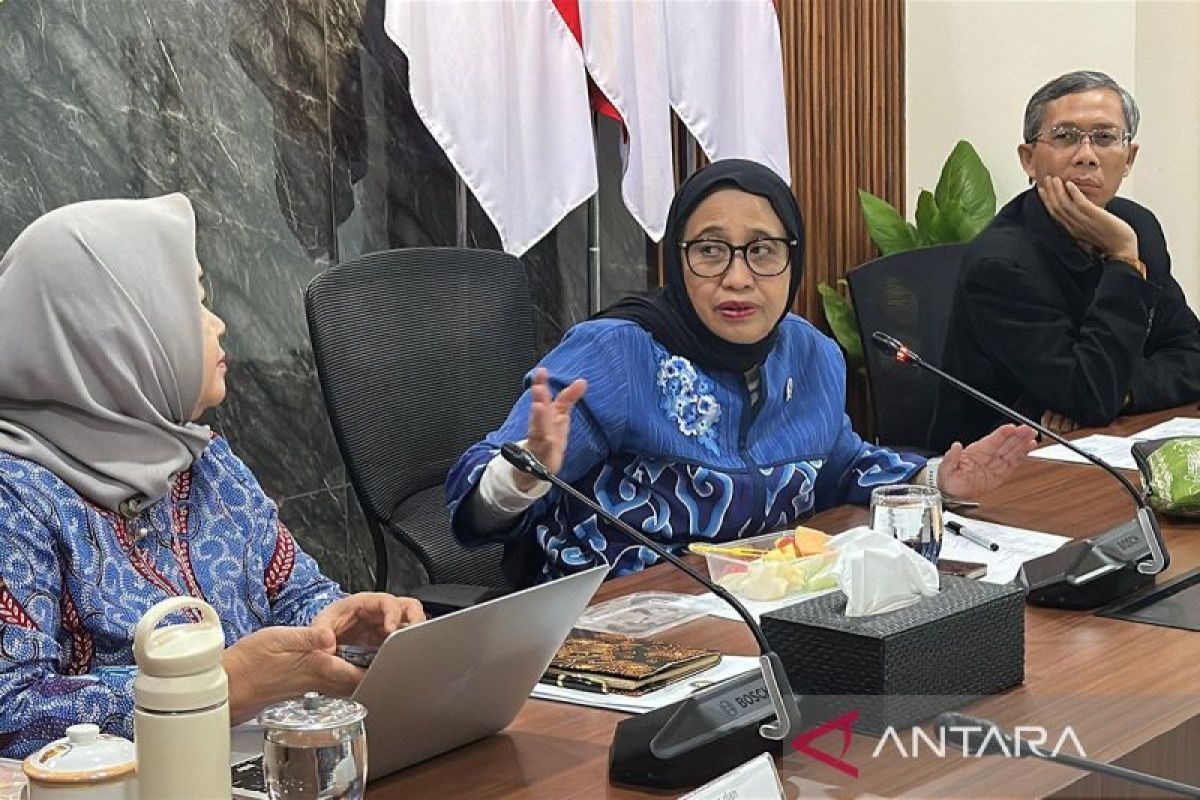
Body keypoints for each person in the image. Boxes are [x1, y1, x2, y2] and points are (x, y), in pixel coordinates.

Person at [447, 159, 1036, 586]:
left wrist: (936, 479)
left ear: (792, 260)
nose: (736, 278)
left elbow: (839, 467)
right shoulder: (616, 354)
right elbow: (472, 505)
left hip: (761, 617)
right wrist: (521, 474)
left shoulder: (809, 353)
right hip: (617, 631)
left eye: (762, 251)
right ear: (677, 260)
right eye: (709, 250)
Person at [0, 195, 425, 758]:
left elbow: (294, 596)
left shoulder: (202, 461)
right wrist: (217, 686)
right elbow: (11, 708)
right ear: (120, 334)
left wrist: (340, 630)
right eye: (195, 303)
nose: (218, 323)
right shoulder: (16, 496)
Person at [930, 70, 1200, 450]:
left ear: (1128, 158)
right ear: (1028, 160)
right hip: (1003, 466)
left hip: (1103, 442)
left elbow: (1191, 354)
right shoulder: (1000, 265)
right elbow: (1090, 394)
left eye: (1104, 138)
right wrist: (1123, 261)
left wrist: (1123, 394)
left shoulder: (1138, 228)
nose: (1086, 156)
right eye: (1065, 137)